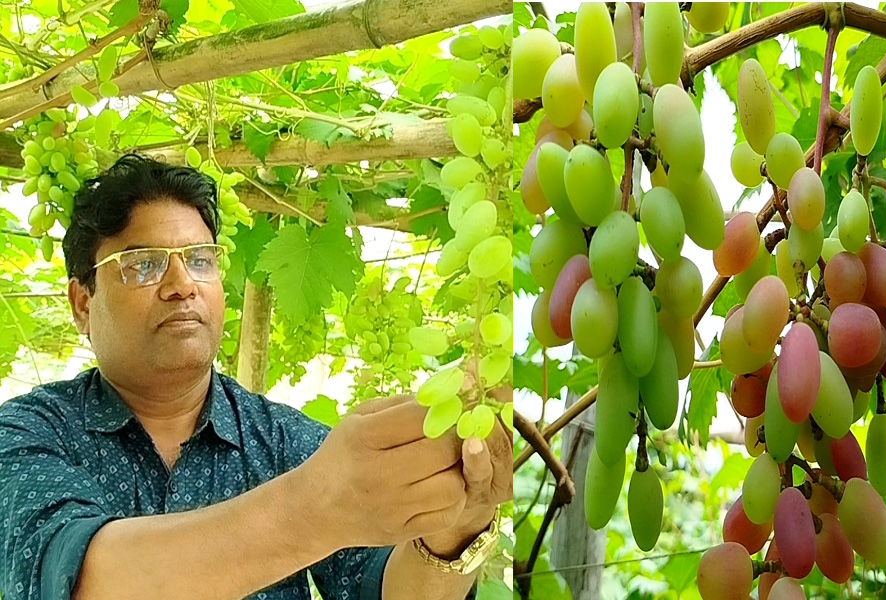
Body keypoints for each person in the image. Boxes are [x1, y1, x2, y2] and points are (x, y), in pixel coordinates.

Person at [0, 154, 513, 599]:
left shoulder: (287, 441)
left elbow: (388, 591)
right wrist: (316, 507)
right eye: (145, 264)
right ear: (82, 302)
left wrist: (458, 526)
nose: (183, 285)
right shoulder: (25, 436)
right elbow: (80, 581)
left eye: (200, 260)